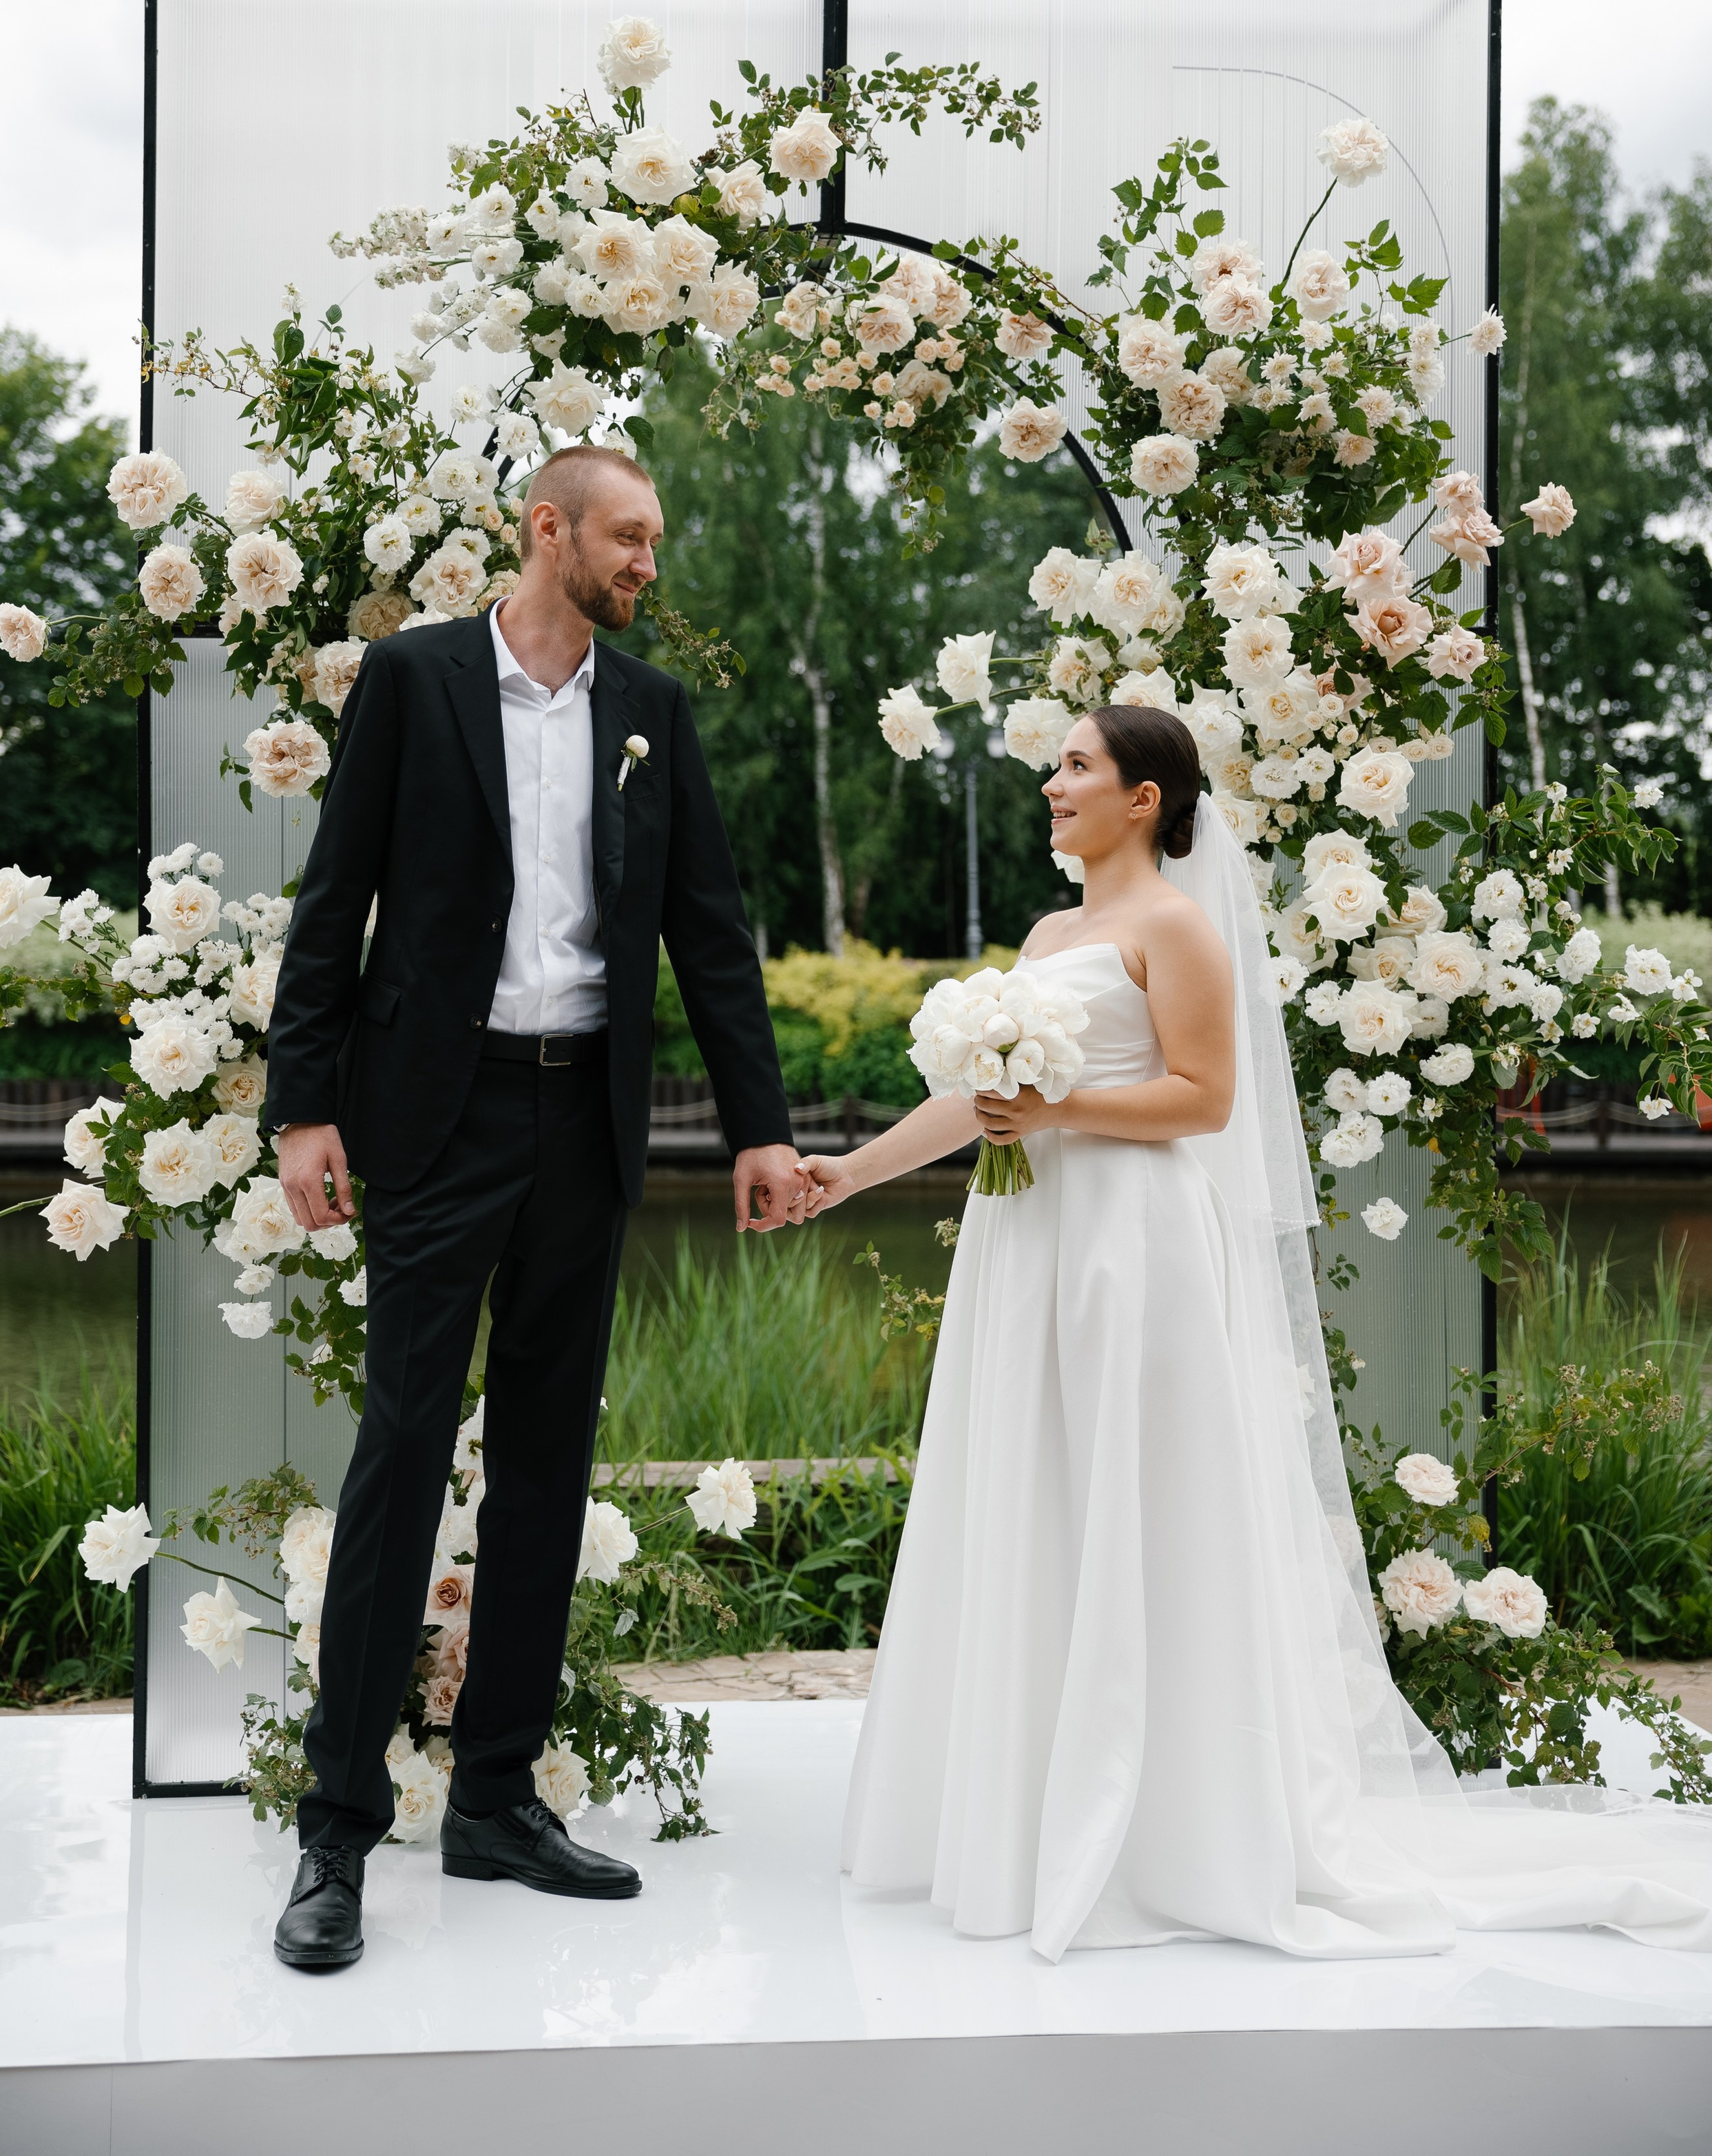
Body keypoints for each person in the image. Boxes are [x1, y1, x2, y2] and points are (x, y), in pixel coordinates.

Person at [801, 707, 1712, 1961]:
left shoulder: (1176, 925)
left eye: (1079, 765)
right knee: (1042, 1499)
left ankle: (1171, 1820)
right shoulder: (1053, 931)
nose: (1053, 783)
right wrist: (846, 1173)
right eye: (1057, 763)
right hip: (1034, 1247)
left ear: (1145, 800)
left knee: (1145, 1503)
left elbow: (1204, 1096)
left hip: (1135, 1248)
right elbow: (979, 1095)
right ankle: (1022, 1803)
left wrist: (1057, 1106)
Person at [264, 446, 804, 1973]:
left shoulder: (651, 713)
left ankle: (496, 1795)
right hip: (435, 1121)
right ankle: (337, 1826)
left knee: (550, 1464)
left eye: (653, 536)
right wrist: (305, 1107)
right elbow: (336, 904)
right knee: (399, 1454)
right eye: (629, 534)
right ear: (546, 529)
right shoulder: (414, 680)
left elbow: (709, 928)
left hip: (587, 1120)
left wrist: (756, 1129)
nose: (648, 559)